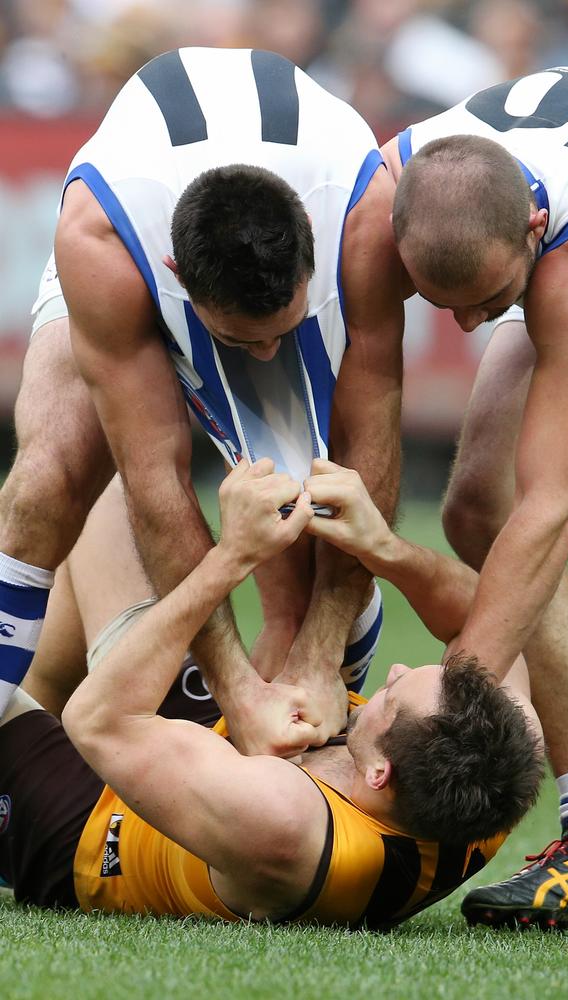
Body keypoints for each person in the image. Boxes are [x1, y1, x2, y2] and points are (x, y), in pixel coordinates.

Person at [0, 47, 405, 755]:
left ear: (311, 250)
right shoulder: (103, 237)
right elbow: (155, 477)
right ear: (177, 276)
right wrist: (237, 690)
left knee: (305, 529)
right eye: (242, 342)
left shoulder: (363, 218)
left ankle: (275, 749)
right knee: (48, 482)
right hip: (130, 238)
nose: (268, 357)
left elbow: (370, 449)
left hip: (293, 235)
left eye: (281, 332)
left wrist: (318, 654)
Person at [0, 460, 543, 928]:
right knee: (121, 488)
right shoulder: (500, 764)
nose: (396, 670)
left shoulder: (286, 824)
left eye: (392, 695)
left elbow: (97, 719)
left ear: (379, 772)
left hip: (92, 828)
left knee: (106, 491)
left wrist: (231, 556)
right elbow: (488, 618)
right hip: (211, 742)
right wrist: (384, 548)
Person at [381, 66, 568, 925]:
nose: (464, 329)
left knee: (529, 505)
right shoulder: (387, 181)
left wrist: (447, 715)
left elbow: (553, 507)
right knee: (475, 508)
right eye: (441, 305)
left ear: (534, 230)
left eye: (488, 302)